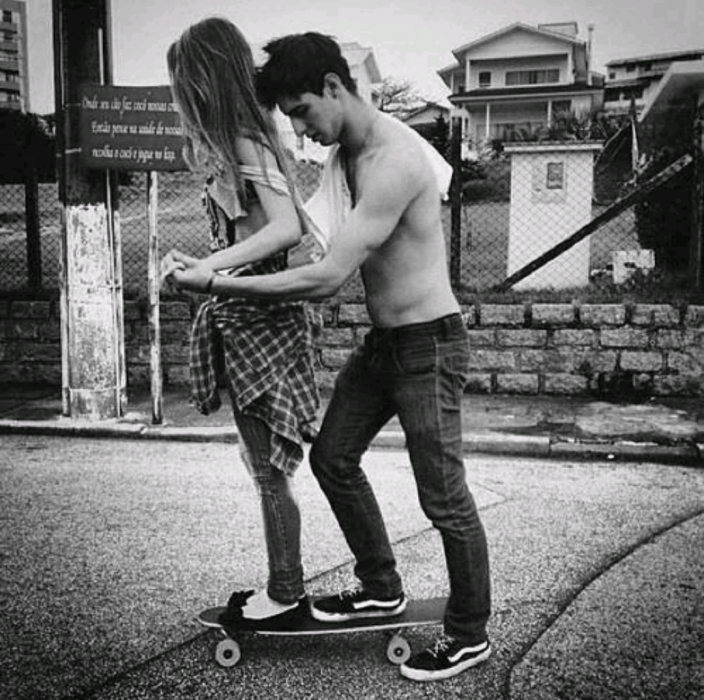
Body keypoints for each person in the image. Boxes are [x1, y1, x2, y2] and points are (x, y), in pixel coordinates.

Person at [164, 31, 492, 682]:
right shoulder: (346, 155)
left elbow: (325, 279)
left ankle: (469, 632)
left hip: (430, 344)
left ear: (335, 88)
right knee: (333, 458)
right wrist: (228, 262)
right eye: (290, 121)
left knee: (444, 497)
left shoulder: (396, 160)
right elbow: (308, 243)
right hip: (385, 346)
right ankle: (381, 586)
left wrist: (217, 282)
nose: (303, 133)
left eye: (303, 113)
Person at [161, 17, 320, 630]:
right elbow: (260, 233)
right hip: (248, 314)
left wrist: (206, 268)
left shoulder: (246, 140)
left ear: (208, 81)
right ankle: (285, 584)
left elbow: (286, 228)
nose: (185, 102)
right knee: (266, 468)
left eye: (189, 88)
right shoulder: (242, 139)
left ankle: (285, 591)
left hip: (260, 320)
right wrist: (203, 267)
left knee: (267, 471)